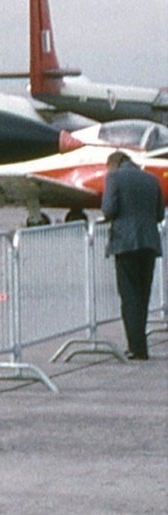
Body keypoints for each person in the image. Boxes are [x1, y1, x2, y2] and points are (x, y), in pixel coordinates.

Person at [100, 151, 165, 360]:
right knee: (142, 296)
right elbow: (159, 214)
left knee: (129, 297)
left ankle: (137, 348)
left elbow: (108, 209)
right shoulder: (151, 179)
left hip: (125, 243)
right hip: (149, 242)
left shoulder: (114, 177)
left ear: (114, 163)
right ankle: (140, 345)